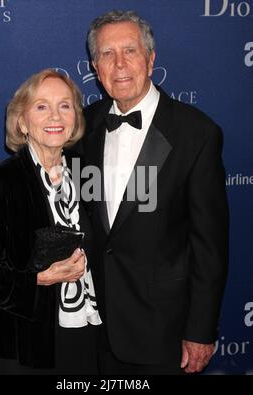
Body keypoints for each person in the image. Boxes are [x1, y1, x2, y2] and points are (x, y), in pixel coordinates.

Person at [82, 10, 229, 375]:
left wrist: (200, 330)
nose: (119, 64)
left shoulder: (196, 133)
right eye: (106, 54)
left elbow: (210, 246)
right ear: (94, 66)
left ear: (150, 59)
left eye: (130, 51)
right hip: (91, 331)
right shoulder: (82, 126)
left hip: (163, 334)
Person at [0, 69, 101, 375]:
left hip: (80, 335)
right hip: (21, 347)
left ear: (75, 118)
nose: (55, 116)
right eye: (41, 106)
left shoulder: (86, 174)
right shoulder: (3, 182)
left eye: (65, 105)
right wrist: (39, 279)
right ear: (22, 122)